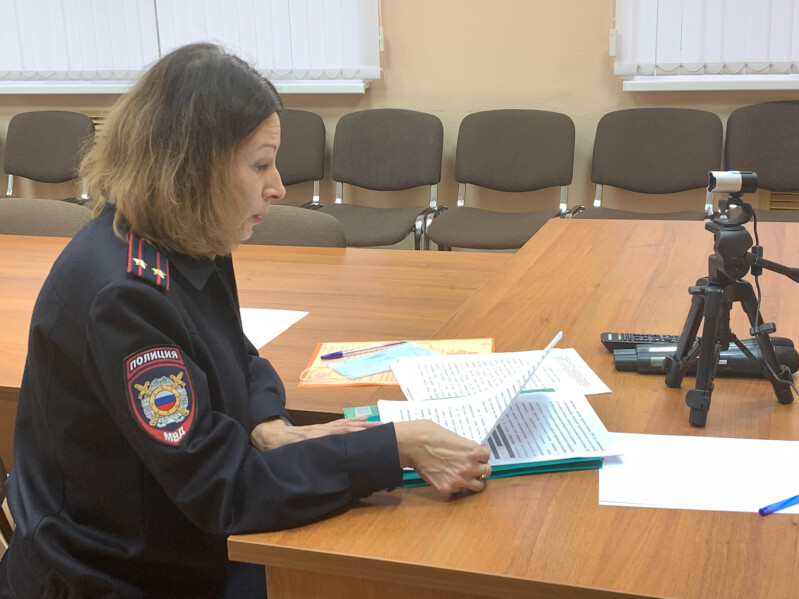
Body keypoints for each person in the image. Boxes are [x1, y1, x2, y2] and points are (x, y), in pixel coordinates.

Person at [0, 43, 491, 598]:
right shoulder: (123, 296)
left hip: (177, 535)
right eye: (260, 164)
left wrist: (266, 423)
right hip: (118, 574)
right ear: (192, 170)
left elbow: (237, 352)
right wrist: (392, 447)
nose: (277, 186)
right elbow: (223, 489)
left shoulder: (184, 237)